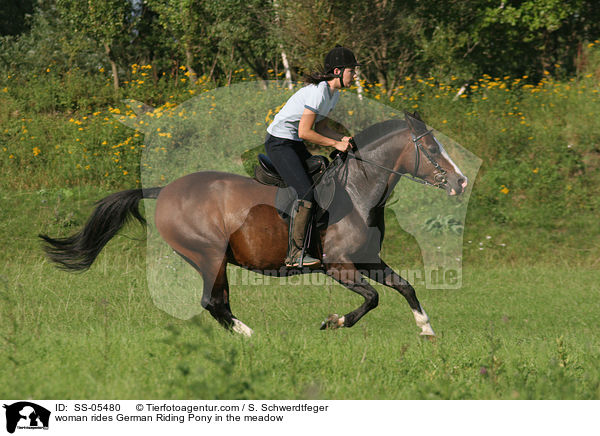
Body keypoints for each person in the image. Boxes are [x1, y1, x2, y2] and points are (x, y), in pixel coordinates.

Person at [265, 46, 361, 267]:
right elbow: (305, 132)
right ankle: (295, 255)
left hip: (293, 143)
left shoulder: (332, 96)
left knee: (322, 181)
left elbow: (322, 128)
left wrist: (343, 138)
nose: (354, 75)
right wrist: (336, 143)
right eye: (351, 70)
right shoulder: (318, 93)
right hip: (279, 143)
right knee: (306, 192)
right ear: (338, 71)